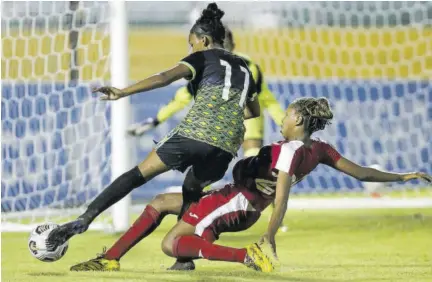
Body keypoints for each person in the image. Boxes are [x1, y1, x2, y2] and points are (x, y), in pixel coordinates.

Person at [69, 97, 431, 272]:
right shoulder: (319, 149)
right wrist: (404, 176)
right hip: (238, 201)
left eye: (288, 113)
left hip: (238, 203)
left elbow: (283, 197)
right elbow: (363, 173)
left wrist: (269, 237)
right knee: (165, 201)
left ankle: (246, 257)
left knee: (171, 243)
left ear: (299, 119)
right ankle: (115, 259)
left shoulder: (288, 151)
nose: (284, 117)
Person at [46, 3, 259, 252]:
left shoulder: (201, 57)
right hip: (225, 146)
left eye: (192, 43)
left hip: (195, 134)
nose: (191, 48)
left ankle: (85, 219)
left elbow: (163, 77)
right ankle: (184, 255)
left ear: (203, 39)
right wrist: (226, 117)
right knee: (192, 187)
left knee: (137, 175)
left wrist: (123, 91)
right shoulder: (245, 67)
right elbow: (253, 112)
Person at [127, 26, 288, 230]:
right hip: (231, 124)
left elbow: (264, 98)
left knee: (249, 167)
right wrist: (156, 120)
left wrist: (283, 123)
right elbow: (184, 97)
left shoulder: (233, 64)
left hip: (235, 124)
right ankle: (204, 215)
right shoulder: (227, 64)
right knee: (221, 171)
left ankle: (267, 216)